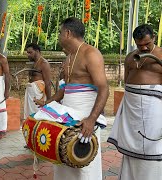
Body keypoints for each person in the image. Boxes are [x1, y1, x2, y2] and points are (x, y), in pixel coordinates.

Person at [35, 17, 109, 180]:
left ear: (68, 33)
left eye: (60, 33)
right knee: (64, 157)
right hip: (68, 116)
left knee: (83, 162)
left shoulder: (91, 53)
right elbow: (65, 89)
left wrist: (91, 120)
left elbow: (104, 88)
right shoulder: (69, 57)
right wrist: (48, 102)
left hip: (85, 117)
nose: (59, 36)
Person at [107, 24, 162, 180]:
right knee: (132, 148)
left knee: (152, 149)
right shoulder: (130, 57)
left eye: (147, 44)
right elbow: (127, 81)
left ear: (154, 38)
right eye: (139, 45)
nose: (143, 48)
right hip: (132, 110)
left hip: (154, 111)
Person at [24, 43, 51, 119]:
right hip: (31, 94)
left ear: (37, 51)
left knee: (38, 116)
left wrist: (49, 101)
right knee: (30, 115)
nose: (28, 55)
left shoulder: (44, 63)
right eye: (27, 53)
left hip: (39, 95)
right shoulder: (34, 63)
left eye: (30, 52)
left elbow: (48, 83)